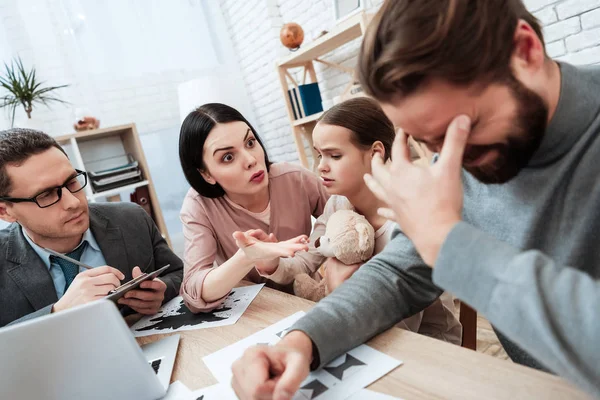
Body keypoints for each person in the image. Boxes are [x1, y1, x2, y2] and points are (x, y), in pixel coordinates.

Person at [230, 0, 600, 398]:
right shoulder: (464, 151)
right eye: (428, 142)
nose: (451, 161)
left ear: (524, 51)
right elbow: (400, 272)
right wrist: (301, 341)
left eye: (463, 128)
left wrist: (448, 243)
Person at [234, 97, 461, 344]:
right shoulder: (337, 205)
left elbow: (403, 322)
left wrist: (337, 289)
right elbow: (306, 261)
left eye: (334, 156)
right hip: (370, 331)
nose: (321, 167)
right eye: (319, 155)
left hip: (427, 343)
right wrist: (272, 264)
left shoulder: (405, 218)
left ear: (375, 152)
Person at [0, 128, 183, 327]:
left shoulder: (131, 218)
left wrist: (162, 290)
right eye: (46, 195)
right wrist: (57, 313)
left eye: (72, 182)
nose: (73, 202)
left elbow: (178, 273)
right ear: (5, 212)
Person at [178, 103, 329, 313]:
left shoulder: (295, 179)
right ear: (206, 174)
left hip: (312, 303)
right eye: (228, 157)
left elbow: (347, 213)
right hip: (255, 316)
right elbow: (193, 292)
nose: (251, 160)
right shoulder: (199, 206)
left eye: (250, 143)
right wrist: (247, 257)